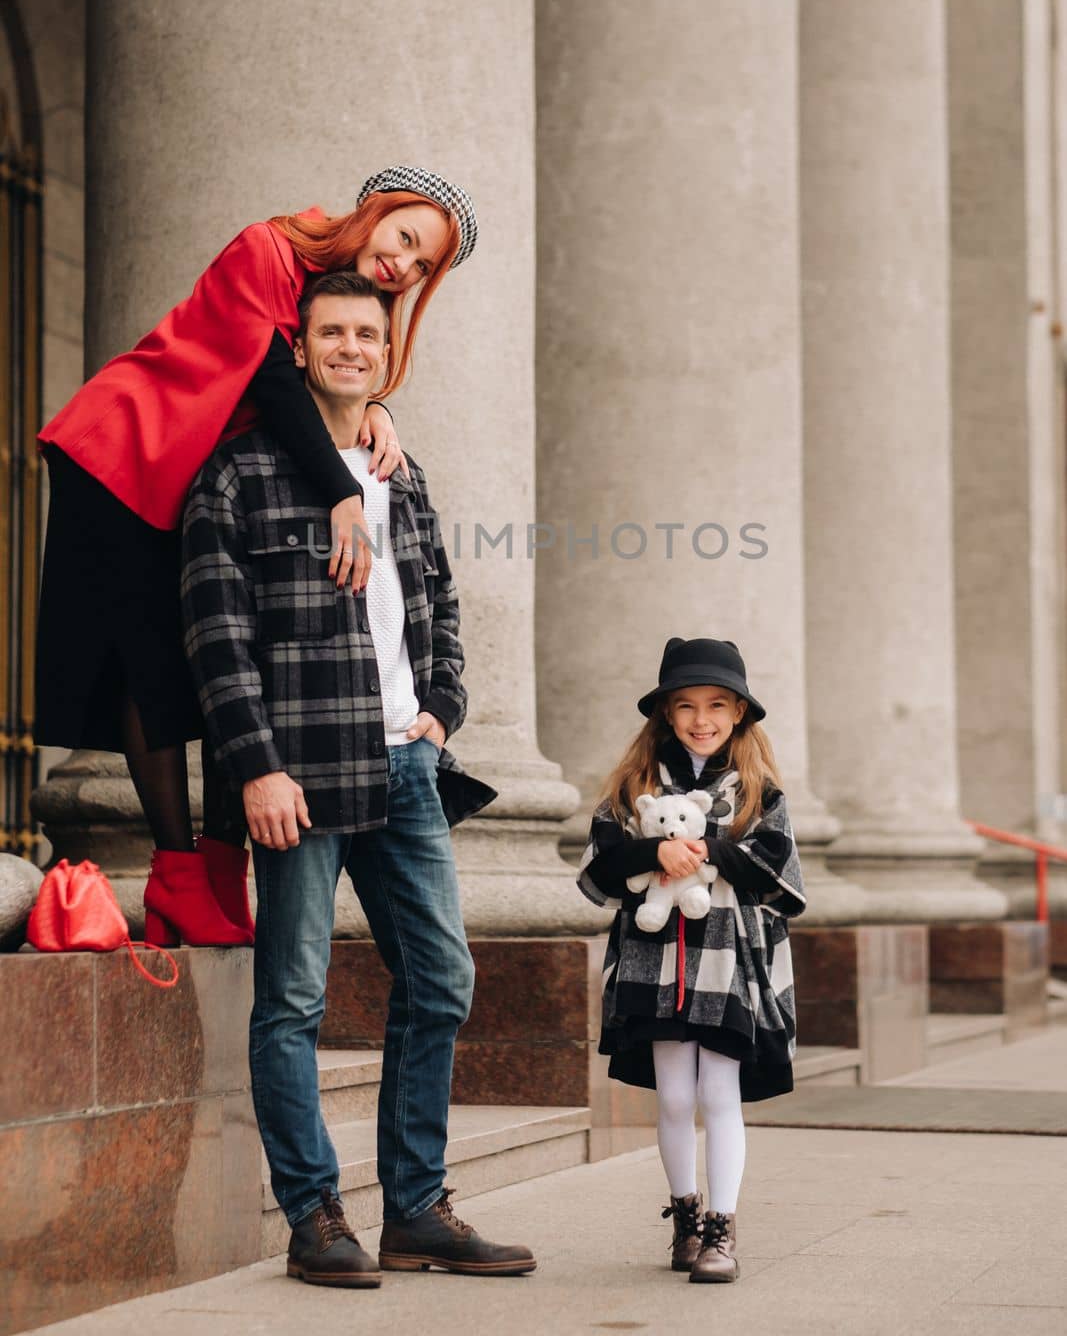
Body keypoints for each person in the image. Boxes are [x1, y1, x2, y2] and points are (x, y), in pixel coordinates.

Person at [180, 270, 536, 1287]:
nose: (348, 347)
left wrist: (442, 709)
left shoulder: (397, 469)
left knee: (441, 978)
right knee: (292, 996)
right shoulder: (240, 474)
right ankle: (314, 1215)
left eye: (365, 335)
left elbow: (440, 603)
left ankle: (416, 1207)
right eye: (329, 332)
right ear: (296, 347)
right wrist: (255, 766)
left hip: (405, 767)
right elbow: (216, 636)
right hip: (300, 773)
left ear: (386, 351)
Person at [34, 165, 475, 946]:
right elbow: (275, 375)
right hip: (123, 453)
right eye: (404, 240)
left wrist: (377, 410)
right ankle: (177, 873)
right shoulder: (268, 247)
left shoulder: (330, 298)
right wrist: (342, 486)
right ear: (374, 212)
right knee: (153, 665)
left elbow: (321, 369)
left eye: (420, 267)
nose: (401, 267)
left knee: (219, 668)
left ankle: (211, 870)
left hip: (185, 473)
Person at [576, 637, 804, 1283]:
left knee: (717, 1091)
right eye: (685, 705)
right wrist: (653, 854)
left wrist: (704, 850)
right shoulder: (635, 789)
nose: (699, 719)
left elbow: (779, 881)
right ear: (665, 715)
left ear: (737, 713)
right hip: (652, 962)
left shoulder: (759, 793)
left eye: (714, 705)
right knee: (674, 1098)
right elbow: (598, 872)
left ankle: (720, 1232)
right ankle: (683, 1216)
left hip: (728, 963)